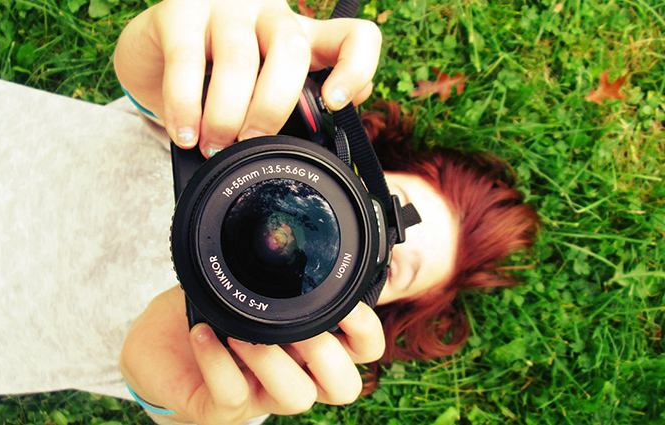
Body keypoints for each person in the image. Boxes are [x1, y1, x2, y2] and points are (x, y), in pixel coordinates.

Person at [113, 0, 539, 424]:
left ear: (376, 306)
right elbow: (152, 77)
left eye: (386, 266)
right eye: (384, 208)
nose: (374, 237)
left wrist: (180, 381)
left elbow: (146, 372)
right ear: (357, 167)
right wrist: (193, 33)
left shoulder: (258, 369)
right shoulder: (241, 133)